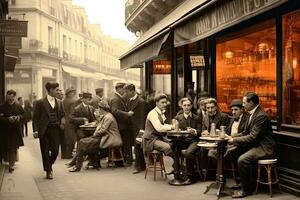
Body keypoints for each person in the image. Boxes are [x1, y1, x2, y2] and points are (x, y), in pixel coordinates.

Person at [228, 92, 276, 198]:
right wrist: (232, 138)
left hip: (264, 148)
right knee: (234, 152)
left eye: (245, 103)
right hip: (256, 145)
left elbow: (252, 137)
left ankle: (246, 190)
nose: (243, 105)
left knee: (242, 160)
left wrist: (233, 140)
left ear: (252, 103)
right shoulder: (252, 113)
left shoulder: (261, 116)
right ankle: (242, 183)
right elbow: (246, 132)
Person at [69, 100, 122, 172]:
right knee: (84, 142)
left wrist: (94, 134)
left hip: (109, 138)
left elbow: (103, 130)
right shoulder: (107, 116)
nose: (98, 110)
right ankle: (91, 162)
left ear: (102, 109)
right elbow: (101, 125)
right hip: (105, 137)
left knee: (83, 142)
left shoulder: (108, 117)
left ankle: (78, 165)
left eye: (99, 109)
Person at [33, 82, 65, 179]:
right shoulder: (40, 102)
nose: (58, 92)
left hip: (55, 129)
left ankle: (49, 165)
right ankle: (48, 171)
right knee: (45, 151)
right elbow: (35, 118)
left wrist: (63, 122)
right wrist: (35, 130)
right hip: (44, 130)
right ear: (50, 90)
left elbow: (63, 115)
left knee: (55, 151)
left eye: (59, 90)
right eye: (56, 90)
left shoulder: (59, 102)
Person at [175, 97, 202, 184]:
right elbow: (174, 130)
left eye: (188, 105)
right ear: (182, 107)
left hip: (194, 141)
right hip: (182, 141)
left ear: (191, 106)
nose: (186, 107)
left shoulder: (197, 118)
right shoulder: (177, 118)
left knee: (189, 153)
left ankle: (191, 177)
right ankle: (177, 174)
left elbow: (200, 132)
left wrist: (194, 131)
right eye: (184, 105)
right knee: (173, 147)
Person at [67, 92, 96, 168]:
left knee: (90, 144)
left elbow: (93, 119)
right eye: (88, 99)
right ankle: (76, 162)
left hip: (89, 130)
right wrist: (82, 119)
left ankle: (89, 161)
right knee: (82, 144)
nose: (89, 101)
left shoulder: (91, 108)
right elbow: (71, 119)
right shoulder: (77, 108)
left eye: (90, 99)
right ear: (83, 99)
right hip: (80, 130)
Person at [123, 84, 147, 174]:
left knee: (137, 147)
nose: (125, 94)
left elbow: (143, 117)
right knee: (137, 147)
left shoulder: (141, 102)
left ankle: (138, 166)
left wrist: (141, 130)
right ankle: (142, 165)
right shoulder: (130, 100)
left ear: (132, 91)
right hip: (132, 128)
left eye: (126, 92)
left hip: (138, 128)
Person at [0, 90, 25, 173]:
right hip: (5, 131)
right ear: (6, 97)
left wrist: (18, 118)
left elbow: (25, 115)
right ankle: (7, 162)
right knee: (6, 148)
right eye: (9, 97)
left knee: (13, 148)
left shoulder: (18, 106)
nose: (10, 99)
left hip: (15, 131)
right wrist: (7, 119)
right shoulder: (2, 107)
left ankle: (11, 165)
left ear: (14, 97)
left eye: (12, 97)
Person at [110, 82, 134, 165]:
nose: (124, 91)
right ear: (119, 89)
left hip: (121, 124)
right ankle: (127, 160)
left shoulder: (117, 97)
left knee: (125, 143)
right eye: (123, 89)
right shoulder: (116, 99)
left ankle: (126, 159)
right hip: (121, 125)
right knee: (126, 143)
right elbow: (114, 111)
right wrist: (126, 114)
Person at [61, 87, 77, 159]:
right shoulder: (72, 101)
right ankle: (68, 154)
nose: (74, 94)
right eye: (73, 92)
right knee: (71, 138)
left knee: (64, 138)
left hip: (63, 121)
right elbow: (72, 113)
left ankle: (63, 154)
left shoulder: (63, 101)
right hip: (70, 122)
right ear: (70, 94)